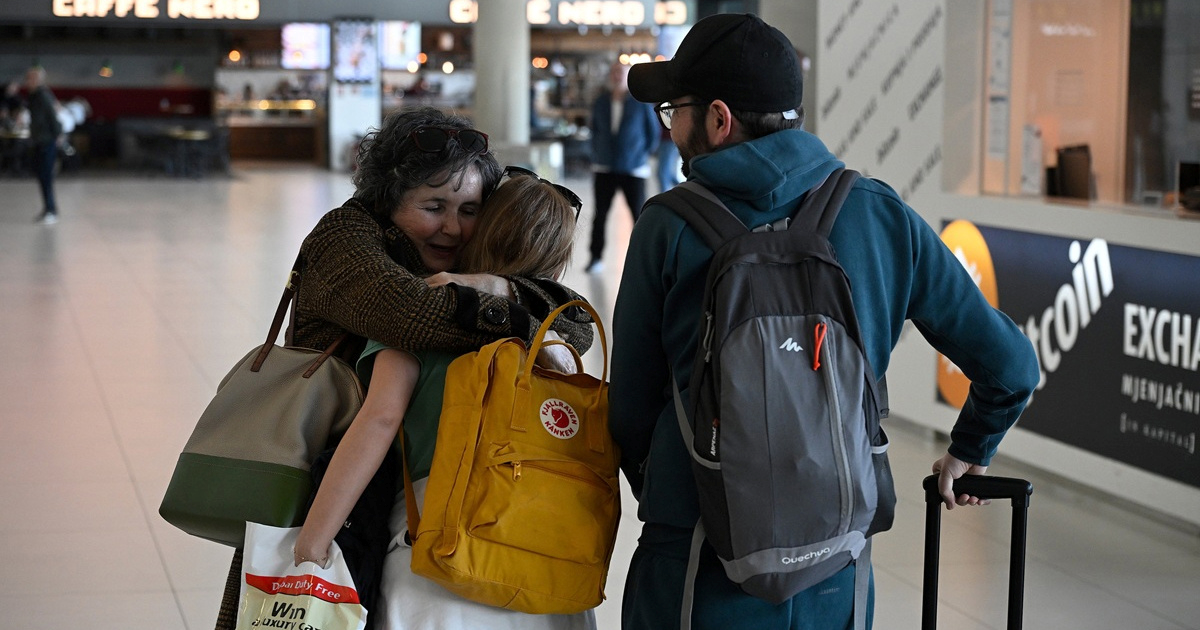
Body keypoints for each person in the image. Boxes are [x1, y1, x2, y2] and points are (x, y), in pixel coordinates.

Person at [609, 13, 1039, 630]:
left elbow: (630, 407)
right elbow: (1011, 368)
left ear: (719, 119)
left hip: (694, 565)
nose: (670, 127)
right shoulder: (879, 213)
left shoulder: (667, 225)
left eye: (674, 109)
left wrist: (682, 485)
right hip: (837, 565)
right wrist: (972, 448)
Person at [214, 107, 595, 630]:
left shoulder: (451, 270)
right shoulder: (345, 238)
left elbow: (575, 325)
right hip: (330, 477)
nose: (453, 227)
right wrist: (522, 314)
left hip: (413, 496)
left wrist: (498, 287)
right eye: (433, 206)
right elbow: (415, 317)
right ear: (388, 201)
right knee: (305, 608)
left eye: (470, 210)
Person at [294, 168, 592, 630]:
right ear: (554, 269)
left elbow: (378, 422)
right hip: (544, 562)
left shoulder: (420, 319)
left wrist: (313, 541)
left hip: (435, 558)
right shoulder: (558, 349)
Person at [586, 61, 659, 273]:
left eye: (622, 72)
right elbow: (594, 130)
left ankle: (644, 260)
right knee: (600, 215)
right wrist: (597, 151)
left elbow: (652, 133)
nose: (618, 76)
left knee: (639, 215)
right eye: (615, 72)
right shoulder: (601, 102)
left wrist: (641, 154)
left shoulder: (640, 103)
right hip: (604, 166)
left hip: (634, 168)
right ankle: (595, 257)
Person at [25, 67, 62, 224]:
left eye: (32, 78)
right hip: (38, 141)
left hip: (47, 141)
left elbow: (53, 117)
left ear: (39, 80)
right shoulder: (33, 97)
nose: (28, 82)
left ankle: (51, 210)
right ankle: (47, 208)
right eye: (28, 78)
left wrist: (57, 135)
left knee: (46, 176)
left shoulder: (43, 96)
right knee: (41, 176)